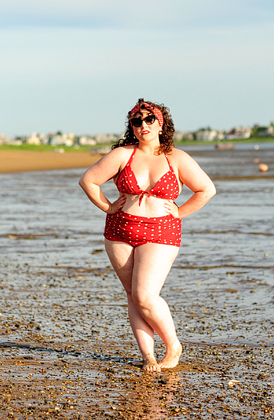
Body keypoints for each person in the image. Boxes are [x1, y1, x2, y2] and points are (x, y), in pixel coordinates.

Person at [79, 99, 216, 372]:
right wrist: (107, 206)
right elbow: (88, 180)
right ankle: (148, 356)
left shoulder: (176, 158)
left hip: (162, 231)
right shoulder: (123, 154)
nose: (143, 125)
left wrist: (180, 212)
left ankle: (173, 344)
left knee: (145, 294)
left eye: (149, 119)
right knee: (132, 295)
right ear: (131, 126)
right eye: (137, 121)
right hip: (119, 229)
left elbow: (206, 189)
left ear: (161, 123)